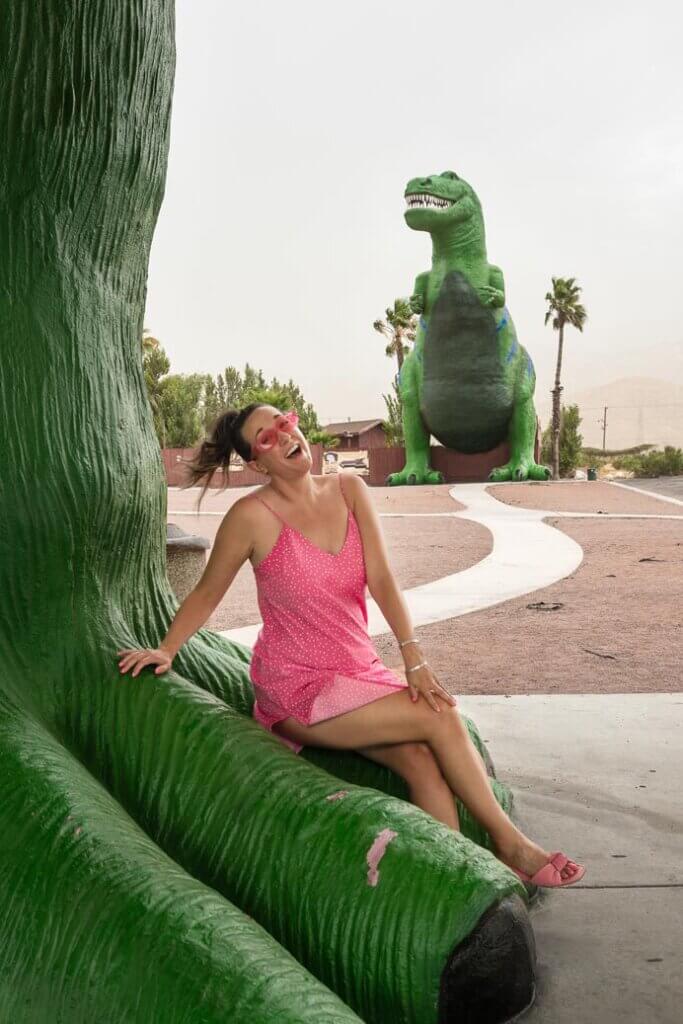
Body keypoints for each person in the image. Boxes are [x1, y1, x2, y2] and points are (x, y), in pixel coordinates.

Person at [117, 403, 585, 888]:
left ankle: (464, 878)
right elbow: (207, 591)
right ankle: (512, 847)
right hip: (298, 687)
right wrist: (167, 648)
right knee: (439, 715)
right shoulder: (250, 517)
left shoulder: (350, 490)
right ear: (257, 464)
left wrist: (413, 658)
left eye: (283, 421)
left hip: (360, 673)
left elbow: (382, 578)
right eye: (265, 437)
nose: (283, 434)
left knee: (421, 759)